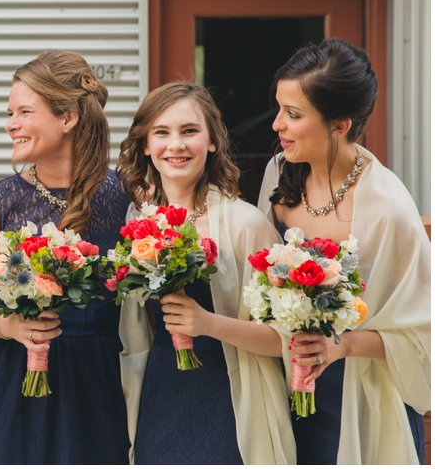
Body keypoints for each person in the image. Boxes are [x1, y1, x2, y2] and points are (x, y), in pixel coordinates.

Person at [257, 38, 430, 464]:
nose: (277, 124)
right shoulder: (280, 171)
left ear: (340, 124)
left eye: (293, 114)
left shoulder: (388, 209)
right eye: (279, 108)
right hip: (282, 381)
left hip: (356, 396)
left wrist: (343, 346)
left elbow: (423, 334)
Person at [116, 82, 295, 464]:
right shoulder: (135, 221)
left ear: (212, 141)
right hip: (160, 389)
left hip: (230, 395)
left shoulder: (247, 224)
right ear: (146, 145)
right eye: (161, 133)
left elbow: (285, 339)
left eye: (190, 131)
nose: (175, 145)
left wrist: (208, 323)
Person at [0, 50, 130, 464]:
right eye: (10, 113)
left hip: (101, 374)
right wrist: (10, 325)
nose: (11, 125)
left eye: (24, 111)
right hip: (17, 372)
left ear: (67, 118)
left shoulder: (125, 195)